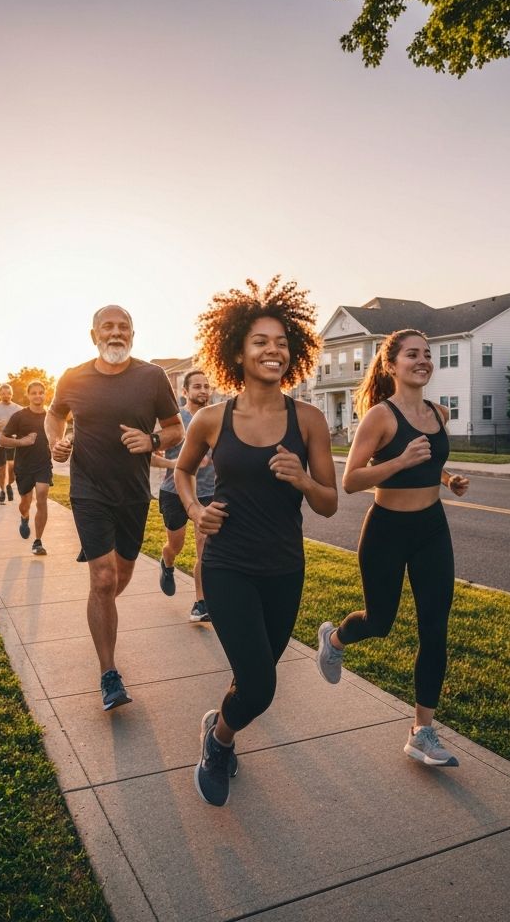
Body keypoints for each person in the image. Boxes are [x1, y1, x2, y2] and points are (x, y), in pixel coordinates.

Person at [175, 278, 337, 807]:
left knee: (254, 677)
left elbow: (329, 503)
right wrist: (196, 511)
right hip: (228, 564)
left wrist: (302, 479)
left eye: (282, 343)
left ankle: (218, 722)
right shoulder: (212, 419)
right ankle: (219, 743)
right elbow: (182, 471)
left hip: (284, 568)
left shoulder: (308, 420)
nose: (273, 351)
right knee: (261, 685)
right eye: (261, 341)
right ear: (238, 352)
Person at [315, 328, 470, 768]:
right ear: (391, 365)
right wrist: (400, 461)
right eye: (412, 354)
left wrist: (447, 479)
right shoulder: (379, 417)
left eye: (427, 354)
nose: (423, 361)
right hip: (386, 529)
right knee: (380, 622)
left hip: (432, 529)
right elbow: (351, 480)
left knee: (435, 630)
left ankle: (422, 731)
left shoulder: (439, 412)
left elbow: (430, 460)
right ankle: (335, 638)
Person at [45, 305, 183, 711]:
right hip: (89, 491)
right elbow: (54, 415)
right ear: (94, 336)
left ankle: (101, 609)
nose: (116, 332)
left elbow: (176, 428)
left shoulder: (152, 377)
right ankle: (109, 673)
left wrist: (152, 441)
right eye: (107, 326)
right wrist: (56, 441)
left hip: (134, 494)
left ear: (133, 335)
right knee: (103, 579)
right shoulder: (73, 377)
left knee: (119, 577)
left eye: (124, 327)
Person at [151, 369, 216, 622]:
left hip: (208, 492)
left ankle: (201, 603)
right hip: (174, 492)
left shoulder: (217, 418)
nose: (203, 390)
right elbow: (149, 457)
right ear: (185, 392)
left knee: (204, 547)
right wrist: (178, 464)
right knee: (175, 545)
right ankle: (167, 562)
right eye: (197, 386)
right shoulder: (175, 422)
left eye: (206, 386)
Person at [0, 380, 52, 555]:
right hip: (24, 466)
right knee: (25, 503)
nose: (38, 396)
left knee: (42, 495)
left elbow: (57, 435)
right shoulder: (19, 416)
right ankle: (24, 517)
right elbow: (3, 440)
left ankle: (38, 542)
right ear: (28, 395)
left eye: (41, 392)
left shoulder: (51, 416)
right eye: (34, 393)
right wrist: (22, 442)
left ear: (45, 395)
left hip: (43, 464)